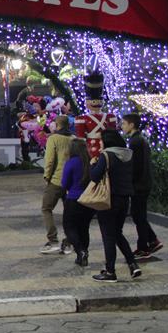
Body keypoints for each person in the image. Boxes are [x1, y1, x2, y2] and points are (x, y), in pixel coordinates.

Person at [90, 129, 141, 282]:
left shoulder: (106, 155)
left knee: (108, 235)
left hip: (108, 199)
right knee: (117, 233)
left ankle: (110, 271)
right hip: (125, 199)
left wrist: (93, 164)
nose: (100, 143)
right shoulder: (129, 155)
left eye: (101, 140)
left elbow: (94, 176)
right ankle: (133, 264)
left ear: (107, 141)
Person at [121, 114, 163, 260]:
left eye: (124, 123)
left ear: (132, 125)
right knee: (139, 215)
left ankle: (145, 246)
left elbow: (135, 166)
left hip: (139, 185)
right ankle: (150, 241)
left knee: (138, 215)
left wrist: (129, 182)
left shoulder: (135, 142)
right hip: (143, 183)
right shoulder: (139, 140)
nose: (122, 126)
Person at [40, 115, 74, 255]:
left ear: (57, 125)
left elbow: (49, 160)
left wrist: (47, 176)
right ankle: (69, 242)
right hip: (71, 182)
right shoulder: (74, 139)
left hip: (56, 180)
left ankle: (53, 240)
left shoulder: (53, 139)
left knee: (46, 208)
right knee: (69, 212)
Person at [61, 138, 94, 267]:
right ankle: (84, 253)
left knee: (69, 227)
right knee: (84, 228)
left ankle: (80, 251)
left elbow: (65, 183)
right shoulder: (90, 162)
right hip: (89, 201)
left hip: (74, 199)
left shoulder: (72, 162)